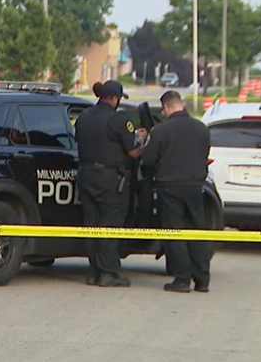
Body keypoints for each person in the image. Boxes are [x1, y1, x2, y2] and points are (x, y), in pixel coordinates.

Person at [75, 80, 147, 287]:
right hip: (109, 180)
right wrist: (143, 141)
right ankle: (108, 272)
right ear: (115, 98)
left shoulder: (83, 117)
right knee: (110, 225)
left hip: (85, 176)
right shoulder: (118, 119)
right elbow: (133, 152)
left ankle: (93, 272)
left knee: (91, 225)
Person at [141, 90, 212, 293]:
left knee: (174, 232)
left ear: (166, 107)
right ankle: (202, 280)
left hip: (169, 187)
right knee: (198, 232)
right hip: (196, 186)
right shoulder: (201, 128)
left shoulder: (160, 130)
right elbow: (205, 154)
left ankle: (182, 279)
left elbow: (148, 160)